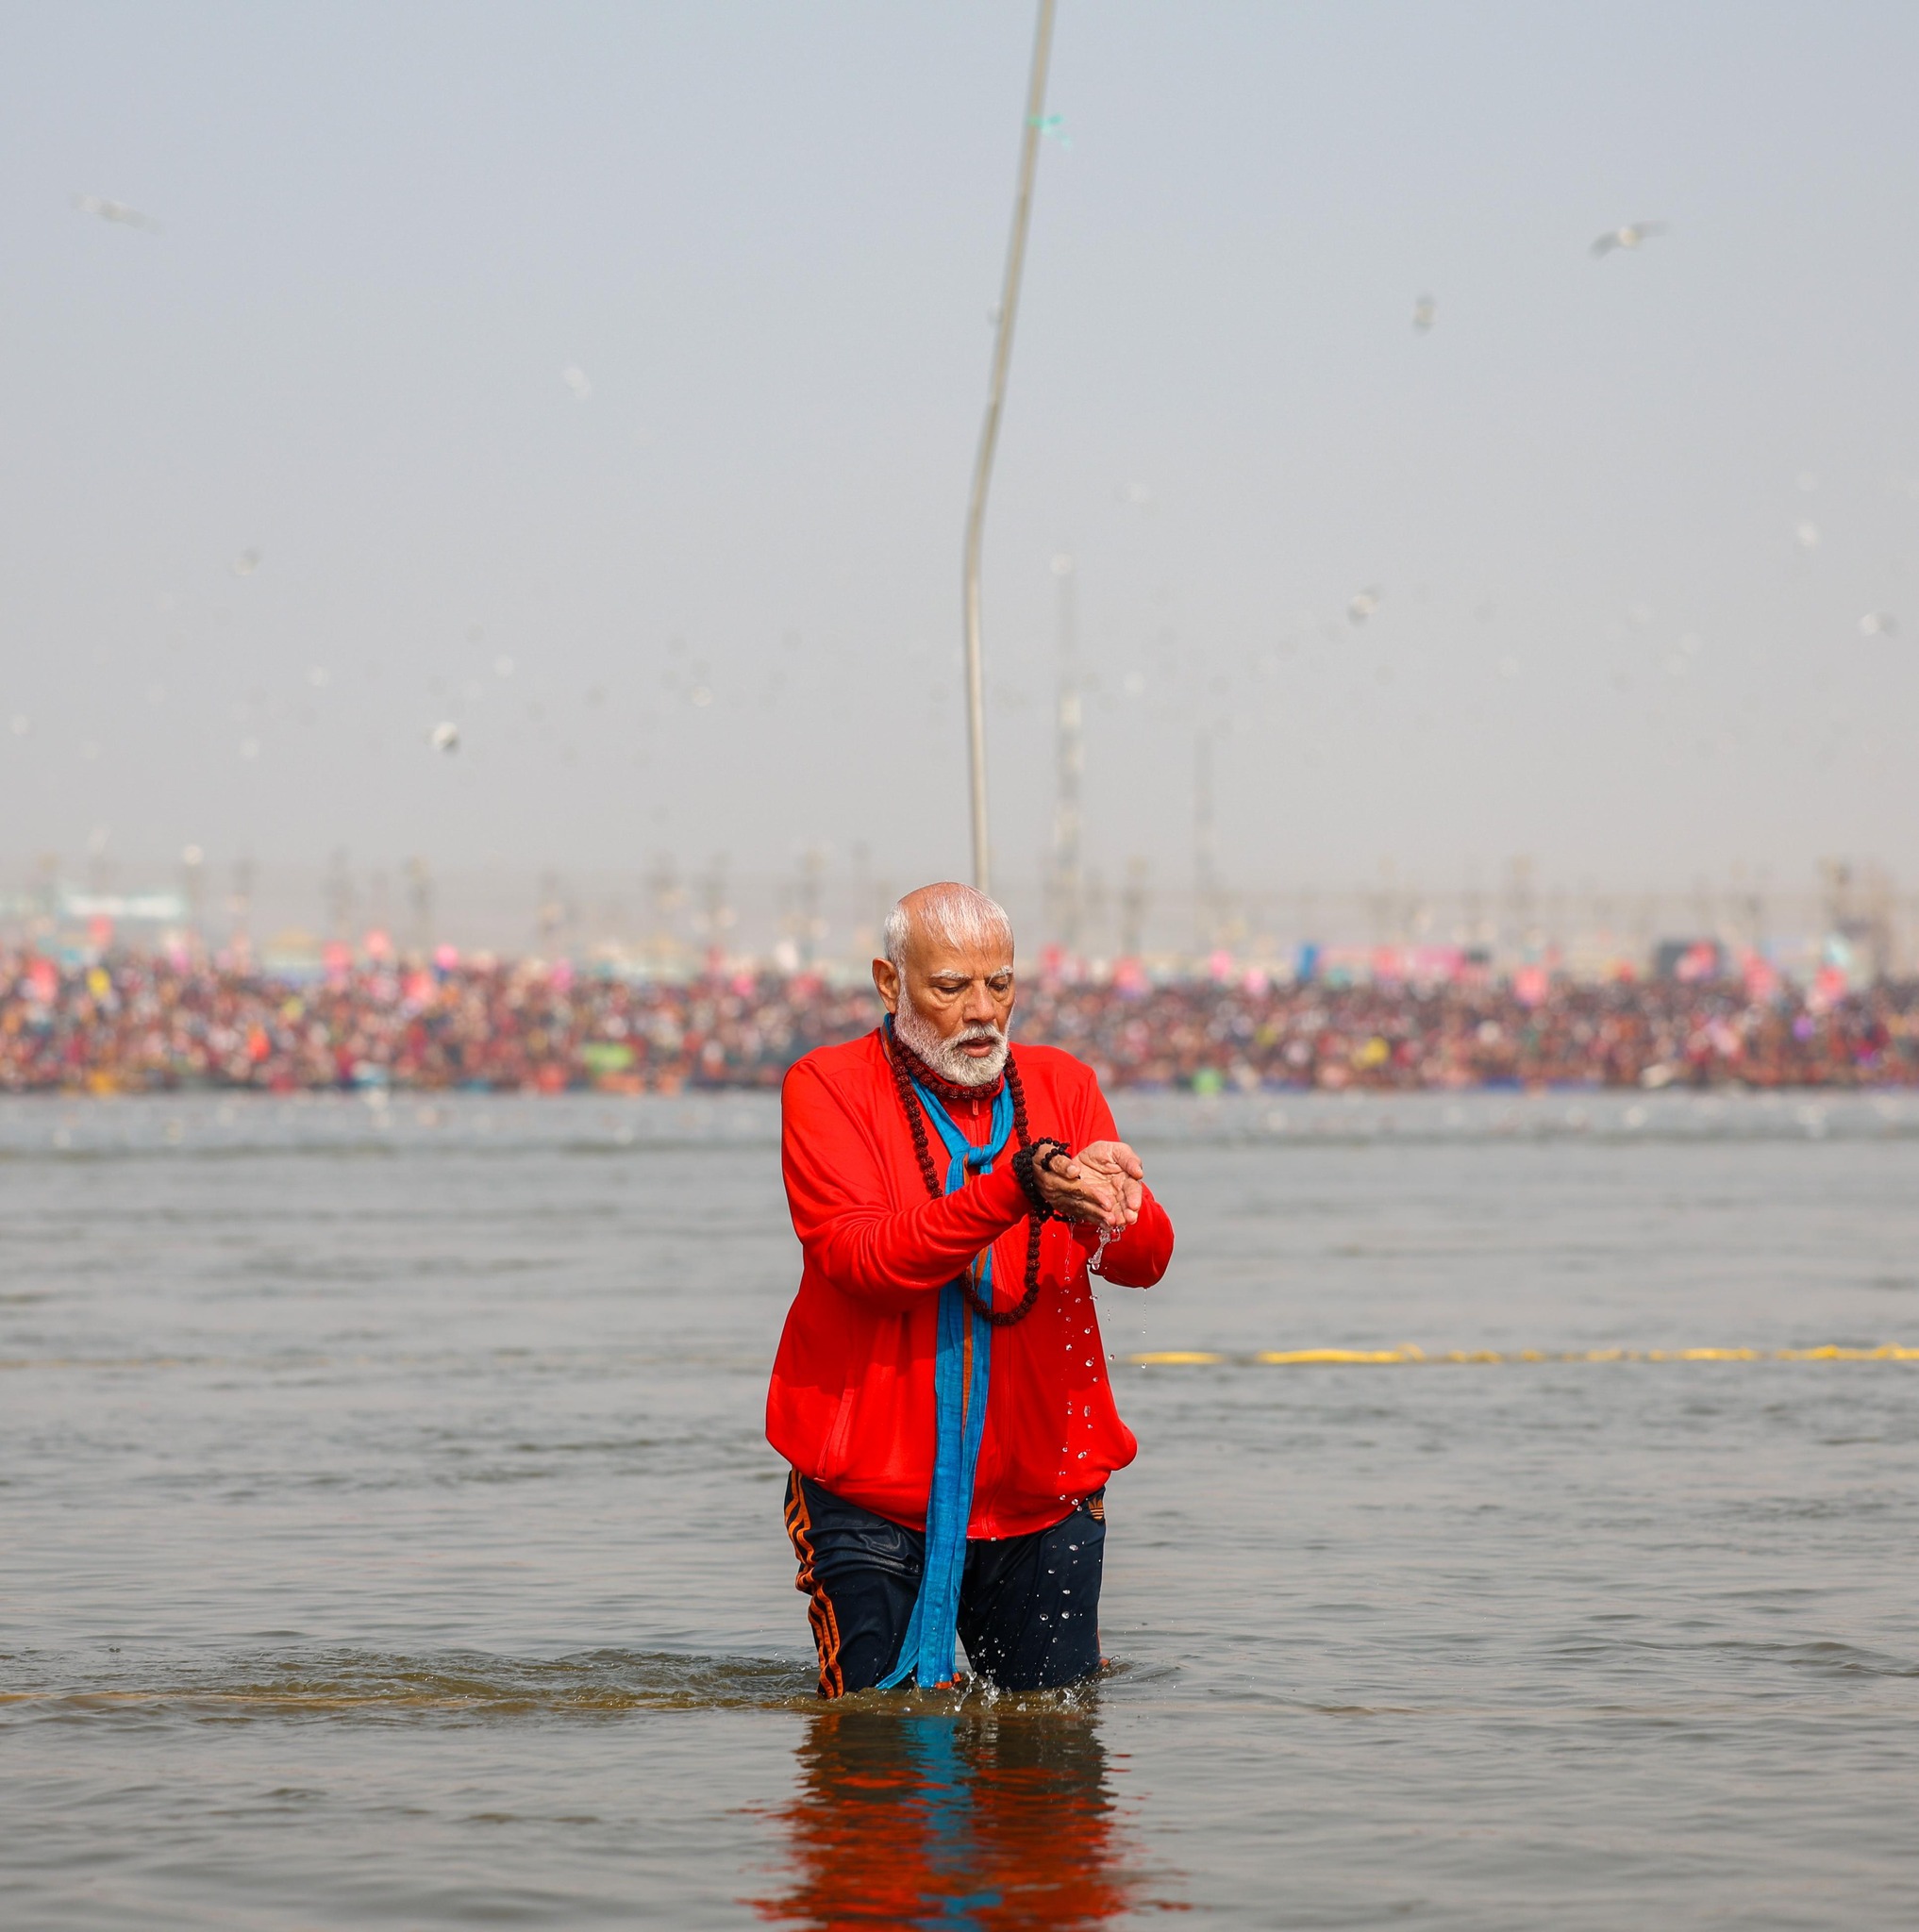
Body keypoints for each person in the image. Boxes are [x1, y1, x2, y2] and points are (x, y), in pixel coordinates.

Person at [767, 881, 1174, 1696]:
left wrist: (1117, 1211)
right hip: (870, 1495)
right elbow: (866, 1263)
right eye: (950, 987)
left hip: (1045, 1490)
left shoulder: (1062, 1082)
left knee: (1051, 1765)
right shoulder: (826, 1086)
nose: (981, 1010)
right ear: (891, 984)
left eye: (1000, 984)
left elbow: (1146, 1261)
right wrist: (1020, 1188)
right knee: (877, 1765)